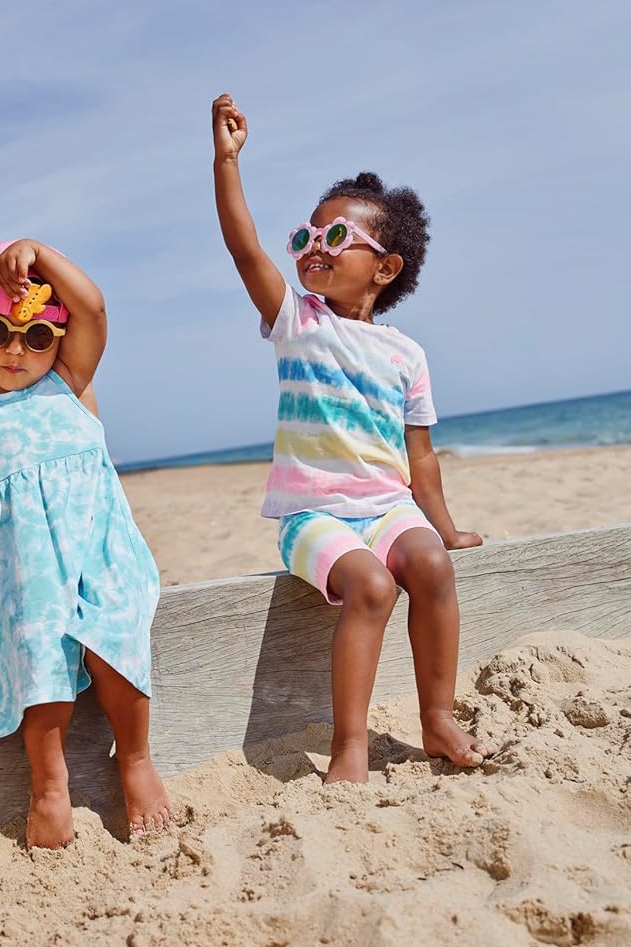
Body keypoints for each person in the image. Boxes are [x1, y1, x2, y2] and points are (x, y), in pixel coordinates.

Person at [212, 94, 495, 784]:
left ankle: (436, 718)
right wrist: (227, 162)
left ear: (385, 268)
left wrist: (445, 528)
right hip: (312, 516)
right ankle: (351, 748)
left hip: (388, 507)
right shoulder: (296, 321)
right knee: (370, 585)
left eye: (336, 238)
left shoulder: (406, 354)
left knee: (430, 567)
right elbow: (243, 244)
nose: (315, 247)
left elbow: (418, 456)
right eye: (308, 235)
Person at [0, 239, 170, 848]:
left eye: (36, 336)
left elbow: (95, 307)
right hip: (22, 568)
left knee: (116, 649)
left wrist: (36, 251)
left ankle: (134, 759)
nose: (15, 350)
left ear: (59, 337)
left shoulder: (70, 382)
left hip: (99, 547)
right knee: (40, 670)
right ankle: (49, 784)